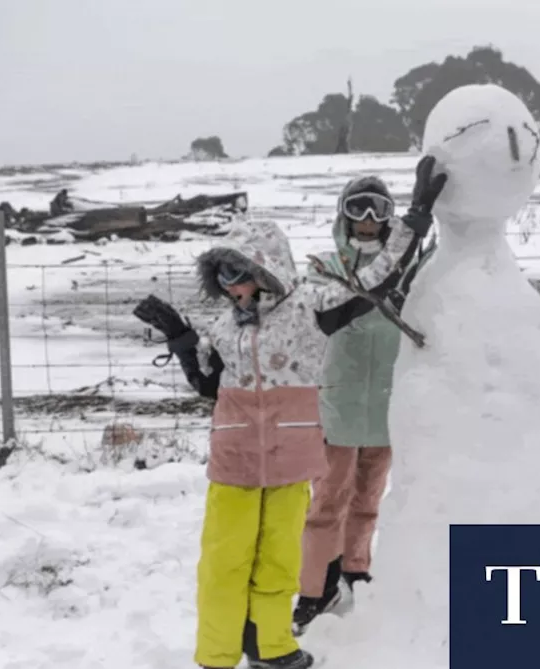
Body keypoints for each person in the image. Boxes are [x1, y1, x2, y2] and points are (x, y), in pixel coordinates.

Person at [131, 157, 446, 669]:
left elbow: (376, 279)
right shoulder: (225, 330)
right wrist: (183, 341)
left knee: (278, 560)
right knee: (224, 561)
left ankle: (272, 646)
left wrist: (416, 218)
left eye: (240, 272)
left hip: (289, 464)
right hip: (234, 467)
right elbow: (210, 388)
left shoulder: (309, 310)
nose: (232, 286)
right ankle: (216, 654)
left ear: (267, 269)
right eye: (223, 277)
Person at [291, 176, 435, 635]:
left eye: (378, 210)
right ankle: (315, 589)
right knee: (328, 500)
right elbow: (324, 308)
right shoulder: (325, 267)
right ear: (343, 213)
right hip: (340, 401)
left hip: (390, 402)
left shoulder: (414, 270)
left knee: (369, 499)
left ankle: (357, 569)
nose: (368, 220)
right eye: (359, 208)